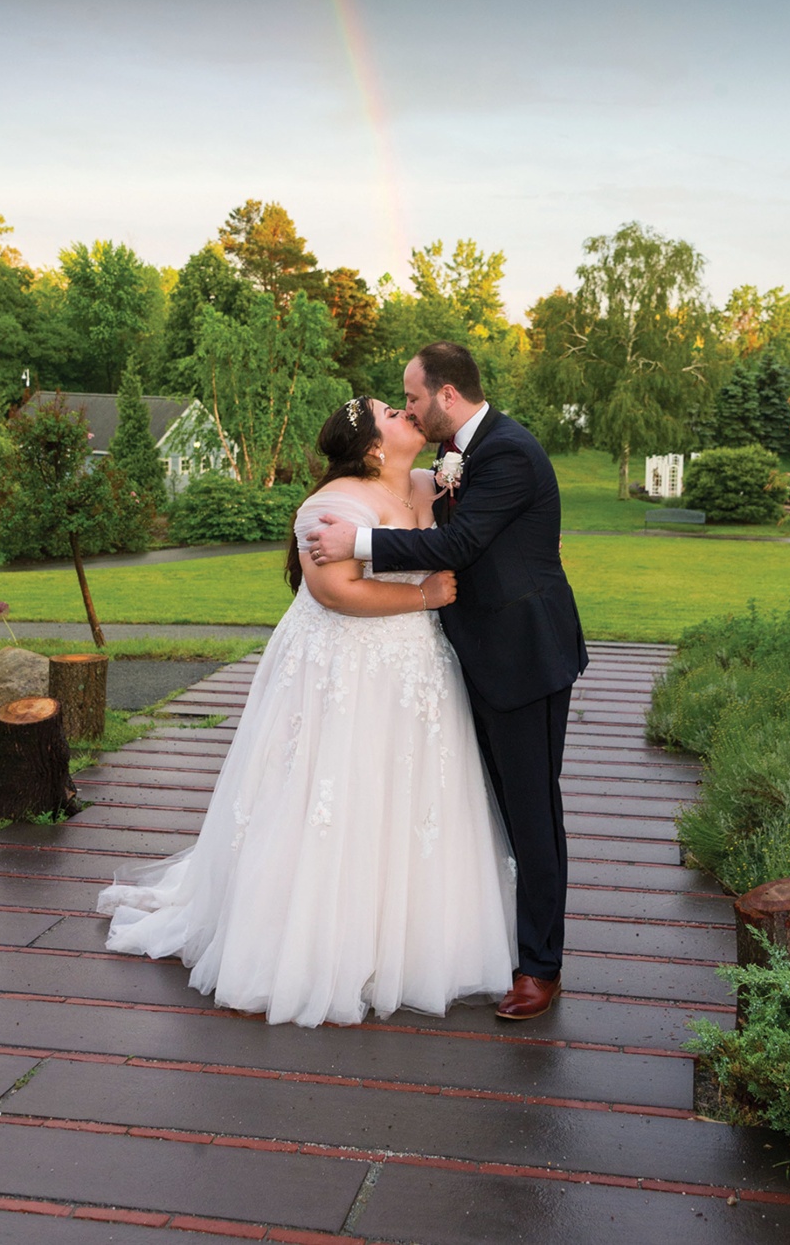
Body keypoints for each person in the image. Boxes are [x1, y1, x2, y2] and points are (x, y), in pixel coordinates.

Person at [97, 396, 516, 1028]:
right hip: (346, 668)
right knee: (330, 791)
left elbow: (479, 532)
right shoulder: (331, 505)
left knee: (411, 799)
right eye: (394, 415)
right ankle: (315, 945)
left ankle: (414, 940)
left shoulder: (432, 486)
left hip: (416, 672)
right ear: (375, 447)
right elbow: (336, 591)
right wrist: (424, 595)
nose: (409, 417)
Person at [308, 342, 587, 1020]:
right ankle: (502, 941)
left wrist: (359, 544)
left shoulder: (508, 451)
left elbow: (460, 548)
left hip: (524, 657)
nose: (407, 407)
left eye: (413, 397)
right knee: (495, 810)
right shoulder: (458, 454)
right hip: (476, 654)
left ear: (448, 395)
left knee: (531, 812)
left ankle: (540, 967)